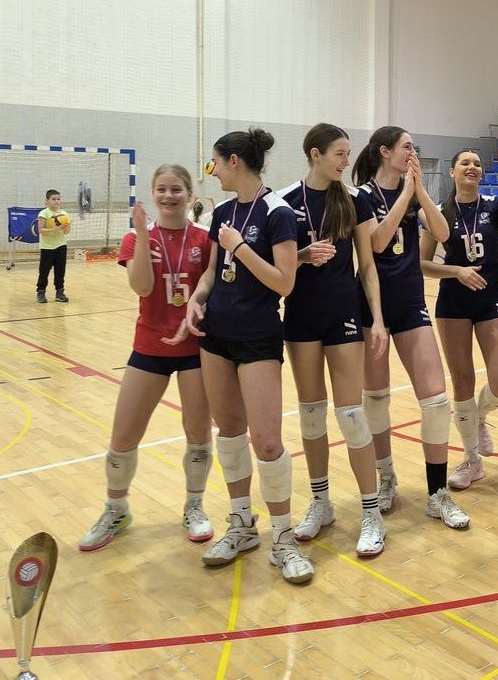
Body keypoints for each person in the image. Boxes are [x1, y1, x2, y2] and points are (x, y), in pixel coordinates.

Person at [187, 128, 313, 584]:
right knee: (229, 433)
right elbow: (210, 273)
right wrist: (197, 297)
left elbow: (284, 282)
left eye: (215, 164)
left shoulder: (278, 211)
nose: (214, 172)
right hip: (216, 336)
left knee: (267, 442)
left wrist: (239, 247)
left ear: (234, 161)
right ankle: (241, 525)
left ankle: (283, 537)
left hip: (258, 337)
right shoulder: (222, 211)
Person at [79, 166, 214, 552]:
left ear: (190, 195)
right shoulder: (135, 237)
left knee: (198, 433)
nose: (168, 196)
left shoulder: (204, 239)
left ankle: (194, 506)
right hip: (150, 347)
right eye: (161, 189)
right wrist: (141, 233)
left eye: (176, 189)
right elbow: (141, 287)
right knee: (124, 435)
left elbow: (211, 290)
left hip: (194, 350)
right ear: (153, 194)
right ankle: (116, 509)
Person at [278, 123, 389, 557]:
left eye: (347, 153)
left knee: (351, 415)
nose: (346, 161)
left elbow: (368, 265)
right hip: (301, 318)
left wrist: (377, 319)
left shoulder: (354, 199)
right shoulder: (285, 202)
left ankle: (371, 512)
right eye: (339, 154)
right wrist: (303, 257)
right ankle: (321, 503)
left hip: (344, 315)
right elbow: (277, 267)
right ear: (315, 154)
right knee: (311, 415)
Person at [353, 126, 470, 530]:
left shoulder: (413, 194)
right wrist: (406, 194)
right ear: (385, 152)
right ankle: (386, 478)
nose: (413, 152)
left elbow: (443, 233)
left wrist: (418, 191)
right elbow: (378, 243)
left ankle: (437, 493)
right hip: (371, 310)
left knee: (435, 399)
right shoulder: (362, 196)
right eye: (407, 147)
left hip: (410, 305)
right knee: (376, 399)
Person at [419, 138, 498, 490]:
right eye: (465, 163)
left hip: (490, 298)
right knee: (462, 381)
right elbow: (421, 263)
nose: (472, 167)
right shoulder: (440, 212)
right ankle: (471, 460)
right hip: (453, 302)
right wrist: (455, 271)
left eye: (477, 163)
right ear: (452, 172)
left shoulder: (495, 205)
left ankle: (480, 416)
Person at [36, 188, 70, 303]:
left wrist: (67, 226)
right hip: (47, 247)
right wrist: (55, 229)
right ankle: (41, 292)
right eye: (53, 199)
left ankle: (59, 292)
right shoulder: (44, 213)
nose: (56, 201)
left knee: (60, 270)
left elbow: (66, 232)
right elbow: (40, 230)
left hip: (61, 245)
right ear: (47, 201)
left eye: (58, 199)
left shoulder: (64, 214)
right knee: (44, 271)